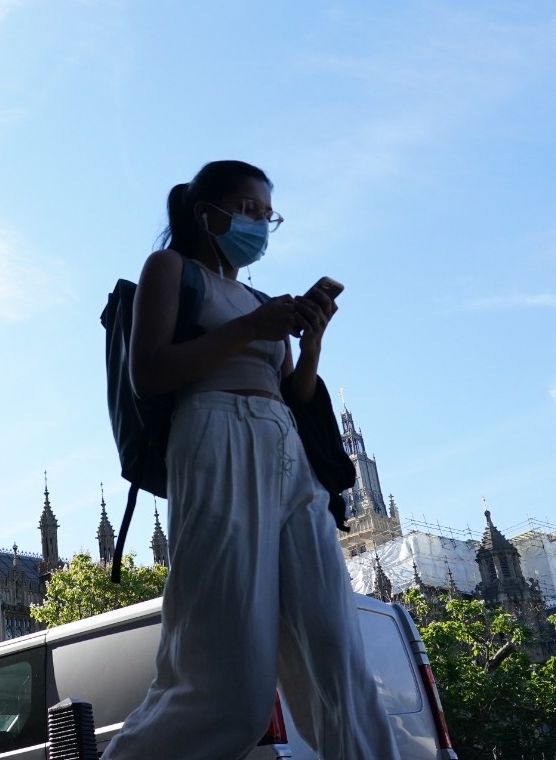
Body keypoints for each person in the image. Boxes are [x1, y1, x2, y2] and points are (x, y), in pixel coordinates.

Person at [103, 160, 400, 760]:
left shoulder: (260, 297)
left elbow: (291, 392)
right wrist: (250, 329)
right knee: (229, 691)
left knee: (341, 665)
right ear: (205, 213)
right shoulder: (171, 269)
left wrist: (308, 343)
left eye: (269, 215)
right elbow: (151, 373)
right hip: (216, 436)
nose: (260, 224)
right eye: (248, 210)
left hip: (286, 449)